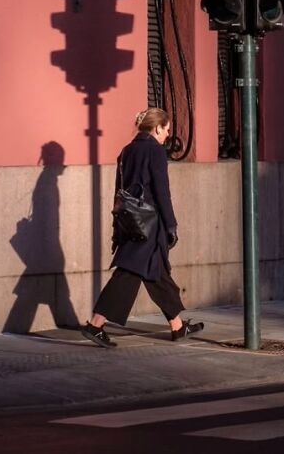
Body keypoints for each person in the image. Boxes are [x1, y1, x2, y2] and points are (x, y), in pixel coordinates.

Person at [80, 108, 204, 349]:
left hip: (132, 221)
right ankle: (95, 325)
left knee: (156, 273)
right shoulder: (155, 151)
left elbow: (120, 193)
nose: (168, 134)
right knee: (128, 273)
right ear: (157, 128)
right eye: (167, 129)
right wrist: (171, 224)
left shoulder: (127, 151)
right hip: (149, 224)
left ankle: (178, 327)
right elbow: (161, 190)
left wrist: (118, 227)